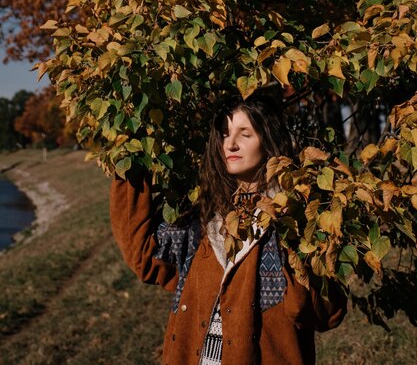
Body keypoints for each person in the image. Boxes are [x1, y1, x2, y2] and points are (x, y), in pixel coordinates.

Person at [110, 89, 347, 365]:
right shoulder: (203, 220)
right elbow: (144, 257)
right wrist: (129, 162)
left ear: (268, 142)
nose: (230, 144)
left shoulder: (296, 218)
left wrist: (295, 244)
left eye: (245, 134)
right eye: (224, 133)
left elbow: (326, 314)